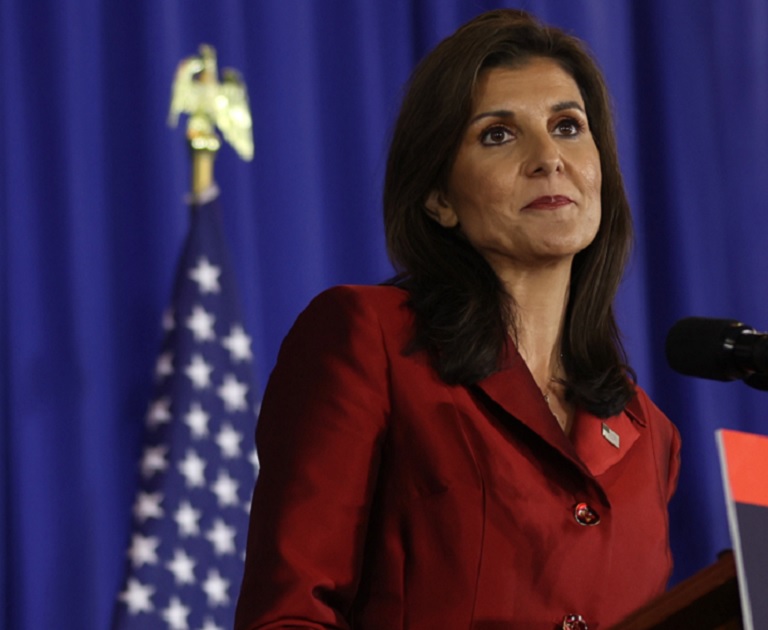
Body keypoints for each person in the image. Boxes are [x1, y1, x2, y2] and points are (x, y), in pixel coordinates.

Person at [234, 9, 681, 630]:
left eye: (568, 126)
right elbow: (289, 615)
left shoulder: (648, 436)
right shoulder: (370, 340)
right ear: (439, 198)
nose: (549, 157)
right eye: (499, 134)